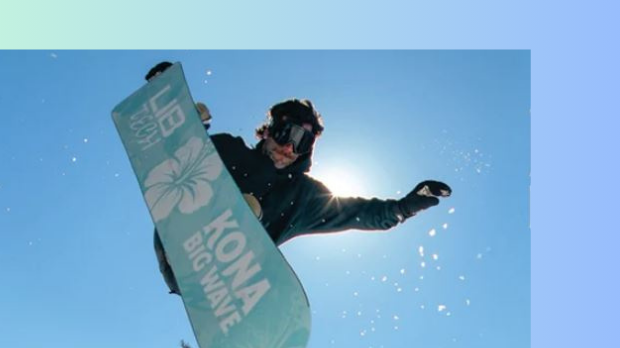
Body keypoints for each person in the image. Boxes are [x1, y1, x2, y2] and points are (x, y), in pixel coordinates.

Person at [146, 63, 452, 295]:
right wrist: (170, 104)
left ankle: (238, 251)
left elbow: (360, 212)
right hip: (181, 245)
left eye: (302, 143)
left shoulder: (305, 198)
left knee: (255, 212)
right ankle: (221, 223)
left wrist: (403, 207)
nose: (289, 148)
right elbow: (177, 156)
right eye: (286, 133)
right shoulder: (228, 149)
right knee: (231, 182)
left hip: (228, 272)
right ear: (267, 130)